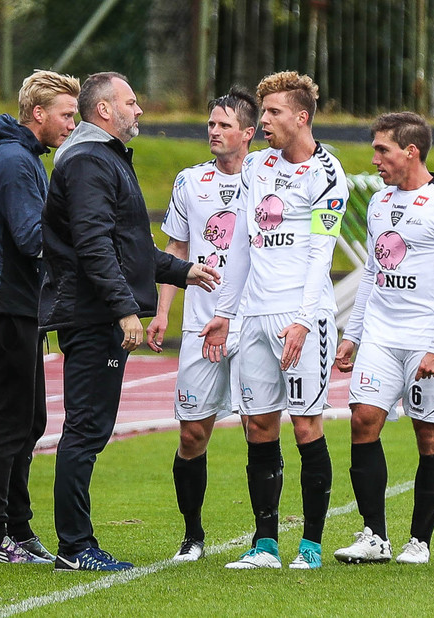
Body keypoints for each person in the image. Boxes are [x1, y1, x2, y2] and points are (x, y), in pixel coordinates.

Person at [38, 72, 221, 572]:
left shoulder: (103, 157)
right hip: (93, 314)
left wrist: (183, 270)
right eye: (131, 102)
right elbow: (94, 244)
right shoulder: (89, 160)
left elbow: (130, 247)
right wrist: (124, 309)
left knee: (90, 429)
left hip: (95, 310)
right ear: (104, 110)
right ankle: (75, 547)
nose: (139, 110)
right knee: (85, 429)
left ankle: (76, 543)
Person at [201, 71, 349, 570]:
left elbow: (321, 254)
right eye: (262, 112)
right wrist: (226, 312)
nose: (263, 120)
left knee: (306, 426)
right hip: (255, 315)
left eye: (273, 112)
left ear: (301, 117)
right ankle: (264, 544)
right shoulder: (257, 166)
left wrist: (304, 321)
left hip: (301, 316)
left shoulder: (327, 174)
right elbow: (243, 246)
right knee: (259, 426)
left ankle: (310, 546)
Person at [333, 112, 434, 566]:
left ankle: (420, 542)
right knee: (363, 420)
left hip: (425, 338)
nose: (374, 159)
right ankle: (374, 536)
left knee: (429, 434)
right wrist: (353, 335)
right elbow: (372, 273)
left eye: (382, 150)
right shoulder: (378, 203)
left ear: (410, 151)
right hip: (380, 335)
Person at [0, 70, 80, 564]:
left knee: (30, 421)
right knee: (9, 423)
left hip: (18, 307)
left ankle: (19, 528)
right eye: (66, 115)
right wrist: (85, 240)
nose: (71, 124)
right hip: (3, 306)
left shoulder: (23, 156)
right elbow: (32, 237)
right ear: (38, 113)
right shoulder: (13, 160)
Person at [146, 87, 258, 562]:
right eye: (211, 123)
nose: (214, 131)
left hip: (251, 324)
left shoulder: (268, 178)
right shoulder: (190, 181)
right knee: (192, 434)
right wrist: (163, 311)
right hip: (200, 325)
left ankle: (266, 538)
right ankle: (192, 536)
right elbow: (176, 249)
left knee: (260, 428)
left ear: (248, 133)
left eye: (224, 125)